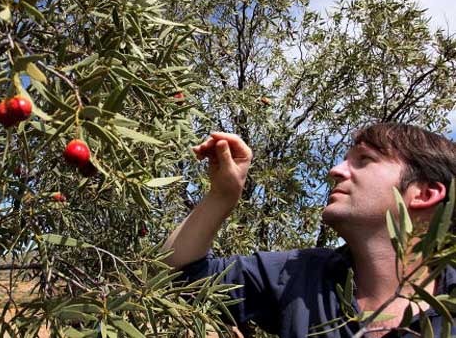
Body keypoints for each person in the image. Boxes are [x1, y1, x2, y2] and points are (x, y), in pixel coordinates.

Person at [163, 123, 456, 338]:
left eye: (364, 160)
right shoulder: (298, 273)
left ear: (425, 194)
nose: (336, 170)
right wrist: (221, 196)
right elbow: (177, 280)